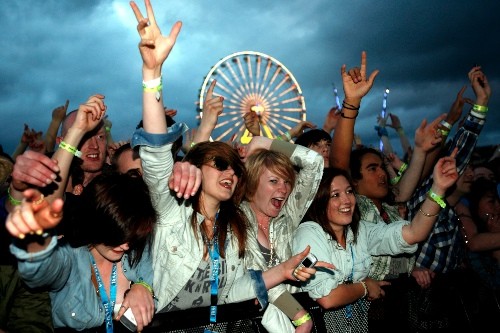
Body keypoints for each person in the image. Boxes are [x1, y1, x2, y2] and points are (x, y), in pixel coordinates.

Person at [128, 3, 332, 332]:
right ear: (194, 167)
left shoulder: (234, 228)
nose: (231, 172)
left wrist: (281, 274)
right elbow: (155, 154)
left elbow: (229, 292)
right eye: (220, 164)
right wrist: (152, 74)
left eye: (235, 167)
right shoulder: (173, 213)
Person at [292, 158, 458, 333]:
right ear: (317, 200)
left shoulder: (359, 230)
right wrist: (365, 287)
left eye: (349, 192)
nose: (347, 200)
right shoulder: (309, 233)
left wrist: (437, 190)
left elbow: (413, 233)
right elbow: (328, 298)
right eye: (335, 195)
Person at [405, 65, 491, 332]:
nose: (466, 172)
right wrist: (480, 105)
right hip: (424, 309)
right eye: (460, 169)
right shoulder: (427, 204)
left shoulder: (453, 214)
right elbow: (460, 151)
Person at [241, 135, 324, 332]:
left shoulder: (289, 213)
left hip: (287, 321)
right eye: (274, 180)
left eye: (287, 181)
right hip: (247, 324)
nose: (284, 188)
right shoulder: (236, 219)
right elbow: (259, 276)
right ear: (252, 183)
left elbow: (314, 161)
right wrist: (299, 316)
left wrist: (261, 142)